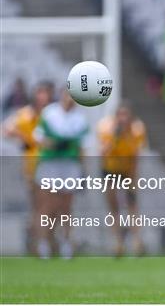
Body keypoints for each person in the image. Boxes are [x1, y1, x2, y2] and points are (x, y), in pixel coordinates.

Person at [33, 89, 88, 259]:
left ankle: (66, 243)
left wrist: (82, 169)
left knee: (66, 207)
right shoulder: (49, 114)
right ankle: (44, 243)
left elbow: (83, 147)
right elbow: (39, 137)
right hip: (50, 164)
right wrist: (55, 144)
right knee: (47, 206)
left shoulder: (80, 118)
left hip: (69, 165)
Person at [3, 82, 53, 253]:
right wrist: (26, 138)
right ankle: (40, 242)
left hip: (53, 165)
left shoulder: (52, 115)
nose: (43, 97)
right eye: (40, 93)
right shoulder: (25, 115)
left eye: (45, 93)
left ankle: (44, 241)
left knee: (52, 207)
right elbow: (7, 128)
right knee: (39, 206)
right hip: (33, 165)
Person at [97, 102, 147, 256]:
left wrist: (134, 177)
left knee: (132, 205)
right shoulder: (106, 127)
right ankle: (118, 242)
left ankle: (136, 242)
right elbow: (103, 152)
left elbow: (137, 153)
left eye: (126, 115)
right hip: (110, 169)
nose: (123, 119)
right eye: (120, 115)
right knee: (114, 207)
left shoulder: (137, 129)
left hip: (128, 169)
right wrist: (116, 137)